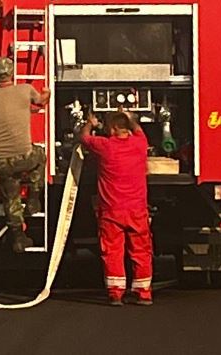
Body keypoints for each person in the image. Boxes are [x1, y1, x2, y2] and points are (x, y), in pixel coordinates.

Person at [79, 110, 153, 306]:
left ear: (112, 129)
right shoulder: (140, 144)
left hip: (112, 210)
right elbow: (138, 130)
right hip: (137, 210)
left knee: (112, 251)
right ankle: (143, 292)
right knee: (141, 250)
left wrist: (89, 123)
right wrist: (130, 117)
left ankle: (116, 293)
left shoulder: (105, 146)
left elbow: (84, 138)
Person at [0, 57, 50, 253]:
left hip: (0, 162)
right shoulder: (25, 90)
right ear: (11, 74)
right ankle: (35, 196)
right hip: (24, 157)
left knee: (10, 197)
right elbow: (41, 102)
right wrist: (46, 93)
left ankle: (18, 237)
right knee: (40, 155)